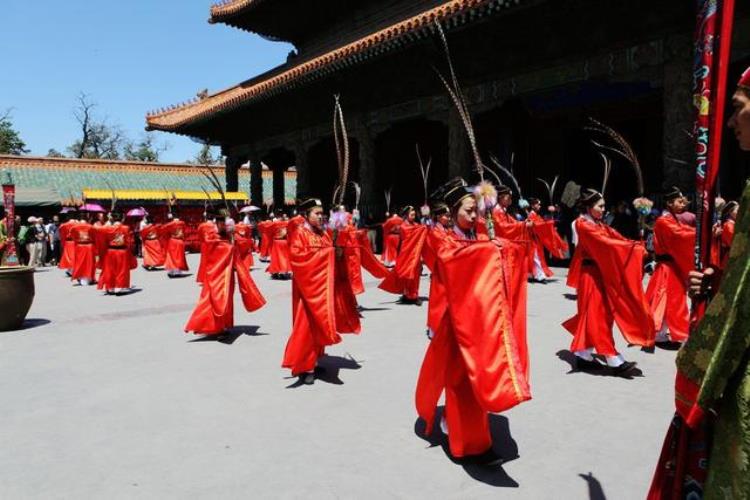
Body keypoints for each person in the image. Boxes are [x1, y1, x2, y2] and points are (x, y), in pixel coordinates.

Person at [650, 67, 750, 498]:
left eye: (738, 109)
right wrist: (720, 274)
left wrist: (698, 370)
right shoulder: (665, 221)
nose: (729, 122)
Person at [415, 179, 531, 462]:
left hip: (476, 320)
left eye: (475, 211)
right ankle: (469, 443)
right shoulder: (441, 238)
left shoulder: (476, 236)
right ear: (453, 212)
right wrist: (488, 250)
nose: (473, 217)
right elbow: (455, 260)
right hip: (455, 322)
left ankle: (461, 431)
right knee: (461, 382)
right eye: (467, 211)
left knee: (475, 378)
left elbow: (501, 251)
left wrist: (502, 247)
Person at [562, 189, 654, 374]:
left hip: (600, 274)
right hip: (590, 276)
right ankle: (613, 359)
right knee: (599, 316)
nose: (604, 209)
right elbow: (607, 244)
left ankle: (583, 355)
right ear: (589, 206)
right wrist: (633, 249)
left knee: (596, 315)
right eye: (600, 206)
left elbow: (616, 237)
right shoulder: (583, 225)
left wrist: (636, 245)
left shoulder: (599, 224)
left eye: (603, 206)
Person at [282, 198, 360, 385]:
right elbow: (299, 258)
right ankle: (305, 366)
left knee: (319, 325)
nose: (320, 216)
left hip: (322, 289)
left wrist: (338, 252)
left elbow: (335, 252)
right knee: (307, 327)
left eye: (321, 213)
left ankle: (315, 361)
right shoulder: (300, 233)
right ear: (306, 215)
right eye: (316, 213)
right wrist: (328, 254)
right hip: (307, 289)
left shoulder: (324, 233)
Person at [185, 211, 266, 336]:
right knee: (213, 301)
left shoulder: (228, 235)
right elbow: (216, 248)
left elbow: (242, 246)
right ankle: (213, 327)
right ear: (216, 223)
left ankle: (223, 326)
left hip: (227, 274)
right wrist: (230, 247)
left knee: (227, 301)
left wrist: (236, 239)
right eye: (221, 223)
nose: (224, 225)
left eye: (225, 223)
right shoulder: (211, 236)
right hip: (215, 274)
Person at [644, 187, 695, 344]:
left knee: (669, 301)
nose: (682, 204)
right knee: (672, 301)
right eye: (679, 202)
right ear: (669, 203)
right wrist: (701, 233)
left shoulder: (671, 219)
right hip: (667, 267)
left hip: (671, 266)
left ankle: (660, 332)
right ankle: (664, 332)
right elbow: (681, 234)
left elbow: (684, 230)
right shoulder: (664, 221)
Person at [379, 206, 423, 304]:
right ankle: (407, 294)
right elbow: (408, 236)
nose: (414, 215)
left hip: (415, 254)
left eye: (414, 214)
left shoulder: (416, 225)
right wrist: (419, 230)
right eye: (412, 214)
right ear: (406, 215)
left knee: (415, 275)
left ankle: (414, 294)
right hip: (406, 253)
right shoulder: (404, 226)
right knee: (406, 275)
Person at [95, 212, 137, 294]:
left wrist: (107, 223)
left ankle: (111, 287)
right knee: (122, 269)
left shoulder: (107, 228)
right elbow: (130, 242)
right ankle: (119, 287)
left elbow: (98, 232)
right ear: (122, 218)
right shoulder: (126, 228)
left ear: (112, 218)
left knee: (111, 269)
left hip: (110, 251)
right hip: (122, 251)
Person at [710, 200, 738, 277]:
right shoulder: (728, 225)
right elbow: (733, 242)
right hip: (730, 256)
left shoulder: (732, 224)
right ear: (730, 212)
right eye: (737, 210)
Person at [70, 215, 97, 285]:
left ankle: (81, 277)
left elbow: (73, 236)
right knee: (89, 262)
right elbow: (95, 236)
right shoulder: (91, 227)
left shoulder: (74, 227)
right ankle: (89, 278)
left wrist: (78, 240)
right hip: (89, 246)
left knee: (80, 262)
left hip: (80, 246)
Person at [266, 215, 291, 279]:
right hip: (284, 241)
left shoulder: (274, 224)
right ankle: (283, 271)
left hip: (276, 242)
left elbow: (268, 230)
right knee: (284, 257)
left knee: (275, 257)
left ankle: (275, 271)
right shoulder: (287, 223)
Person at [195, 214, 218, 284]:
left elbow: (199, 234)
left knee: (204, 261)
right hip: (214, 245)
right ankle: (213, 277)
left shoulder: (202, 225)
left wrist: (202, 241)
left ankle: (203, 278)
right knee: (214, 261)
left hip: (205, 245)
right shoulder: (215, 226)